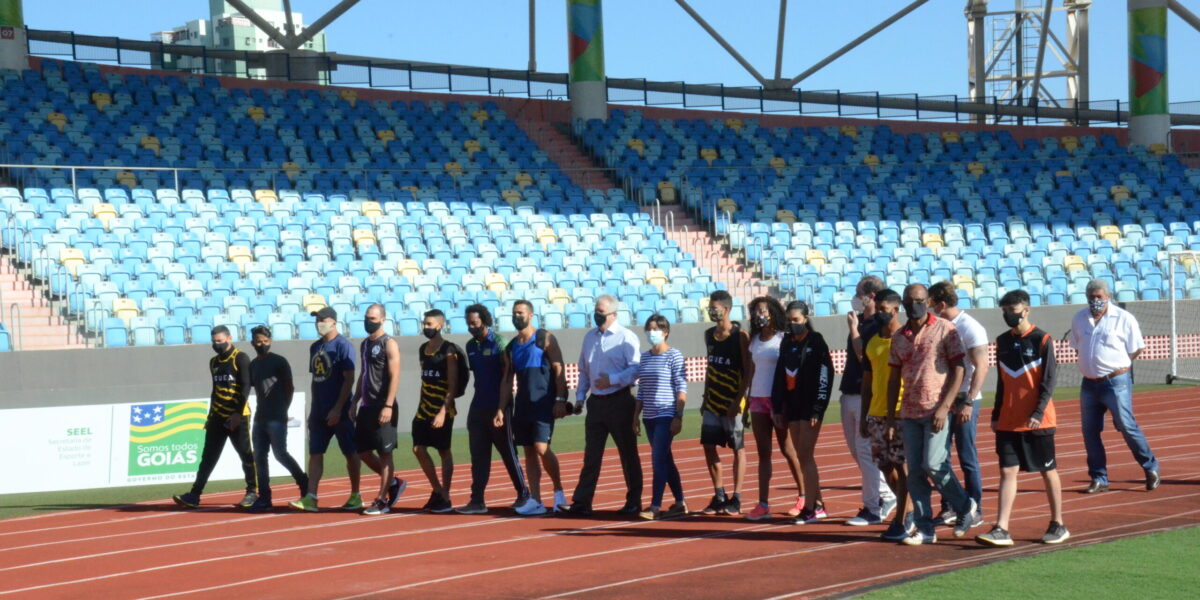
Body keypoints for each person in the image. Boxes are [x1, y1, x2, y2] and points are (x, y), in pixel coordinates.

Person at [976, 290, 1070, 546]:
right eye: (1004, 309)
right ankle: (1001, 528)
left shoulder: (1043, 339)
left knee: (1048, 471)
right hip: (1008, 420)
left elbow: (1049, 381)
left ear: (1026, 309)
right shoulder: (1002, 341)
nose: (1008, 314)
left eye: (1013, 309)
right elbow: (1003, 384)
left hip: (1038, 421)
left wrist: (1038, 412)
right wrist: (996, 413)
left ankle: (1058, 523)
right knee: (1007, 471)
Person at [888, 284, 977, 545]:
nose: (913, 305)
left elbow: (959, 368)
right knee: (914, 471)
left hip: (936, 409)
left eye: (918, 300)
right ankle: (925, 528)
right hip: (909, 411)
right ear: (903, 303)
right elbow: (893, 377)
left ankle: (964, 505)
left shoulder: (945, 329)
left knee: (935, 464)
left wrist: (945, 406)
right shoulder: (899, 337)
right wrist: (892, 414)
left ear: (927, 302)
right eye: (909, 301)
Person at [1070, 279, 1160, 493]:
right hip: (1089, 384)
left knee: (1127, 426)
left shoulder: (1123, 318)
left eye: (1099, 297)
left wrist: (1117, 365)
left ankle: (1150, 467)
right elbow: (1077, 346)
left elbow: (1136, 348)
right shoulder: (1079, 318)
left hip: (1116, 382)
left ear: (1108, 297)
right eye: (1091, 297)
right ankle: (1099, 478)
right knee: (1090, 431)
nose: (1095, 301)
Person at [292, 307, 383, 512]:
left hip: (339, 411)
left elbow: (349, 379)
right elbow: (316, 380)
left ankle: (356, 494)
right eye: (317, 320)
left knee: (351, 453)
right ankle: (311, 497)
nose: (318, 323)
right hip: (319, 410)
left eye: (322, 319)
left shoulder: (343, 345)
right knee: (315, 452)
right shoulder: (315, 347)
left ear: (333, 322)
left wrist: (338, 408)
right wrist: (314, 409)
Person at [562, 295, 643, 516]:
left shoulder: (626, 337)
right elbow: (584, 370)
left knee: (628, 454)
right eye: (596, 311)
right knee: (591, 456)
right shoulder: (589, 338)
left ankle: (634, 502)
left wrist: (613, 379)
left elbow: (636, 370)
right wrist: (580, 397)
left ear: (614, 315)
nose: (597, 315)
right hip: (596, 404)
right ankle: (581, 503)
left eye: (602, 312)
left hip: (620, 401)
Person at [458, 304, 539, 515]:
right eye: (468, 323)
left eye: (474, 323)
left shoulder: (500, 343)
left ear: (484, 320)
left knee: (508, 452)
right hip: (478, 407)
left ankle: (524, 494)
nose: (471, 327)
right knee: (478, 455)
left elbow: (506, 376)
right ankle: (477, 500)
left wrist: (501, 408)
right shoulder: (470, 346)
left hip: (499, 407)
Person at [495, 300, 570, 515]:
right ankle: (536, 499)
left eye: (520, 313)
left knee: (541, 448)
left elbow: (558, 367)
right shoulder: (511, 348)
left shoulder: (544, 338)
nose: (516, 316)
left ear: (531, 315)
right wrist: (501, 408)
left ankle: (558, 493)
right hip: (524, 404)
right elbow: (507, 381)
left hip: (543, 402)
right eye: (514, 313)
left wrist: (560, 399)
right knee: (528, 451)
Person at [172, 326, 257, 509]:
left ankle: (252, 492)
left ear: (229, 338)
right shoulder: (214, 362)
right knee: (208, 457)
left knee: (245, 454)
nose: (217, 344)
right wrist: (210, 416)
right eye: (214, 341)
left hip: (238, 415)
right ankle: (195, 494)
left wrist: (236, 413)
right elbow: (215, 391)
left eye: (220, 340)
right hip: (217, 416)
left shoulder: (240, 358)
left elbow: (246, 386)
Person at [928, 281, 988, 529]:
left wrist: (970, 400)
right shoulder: (938, 326)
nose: (928, 307)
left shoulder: (970, 327)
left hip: (963, 399)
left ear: (941, 304)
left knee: (967, 456)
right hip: (942, 399)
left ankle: (976, 507)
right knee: (940, 457)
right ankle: (950, 506)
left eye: (930, 302)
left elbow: (981, 366)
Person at [743, 295, 807, 522]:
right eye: (755, 311)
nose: (759, 315)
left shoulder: (783, 338)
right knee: (763, 453)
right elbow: (750, 372)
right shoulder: (754, 340)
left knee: (788, 449)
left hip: (778, 400)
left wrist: (787, 401)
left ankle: (803, 496)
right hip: (758, 399)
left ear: (772, 312)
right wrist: (746, 400)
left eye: (763, 310)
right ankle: (763, 504)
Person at [840, 276, 897, 527]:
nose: (856, 298)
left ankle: (873, 506)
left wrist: (853, 330)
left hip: (866, 396)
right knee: (858, 452)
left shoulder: (876, 324)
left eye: (859, 293)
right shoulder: (864, 321)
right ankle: (886, 495)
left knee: (866, 452)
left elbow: (864, 355)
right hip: (850, 392)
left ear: (871, 296)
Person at [771, 301, 834, 525]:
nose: (792, 324)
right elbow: (779, 374)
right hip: (793, 406)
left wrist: (819, 406)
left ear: (806, 318)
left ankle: (810, 508)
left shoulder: (816, 341)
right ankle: (818, 505)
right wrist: (777, 406)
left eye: (796, 320)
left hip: (810, 407)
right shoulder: (787, 342)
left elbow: (826, 374)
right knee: (801, 455)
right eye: (789, 320)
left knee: (805, 456)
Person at [860, 289, 913, 541]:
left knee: (902, 466)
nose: (880, 313)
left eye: (884, 309)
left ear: (895, 309)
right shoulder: (872, 341)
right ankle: (909, 507)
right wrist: (864, 416)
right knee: (883, 464)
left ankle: (902, 517)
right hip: (876, 413)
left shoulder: (906, 338)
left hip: (901, 412)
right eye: (877, 308)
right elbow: (867, 381)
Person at [698, 289, 751, 516]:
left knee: (737, 448)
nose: (711, 311)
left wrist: (739, 401)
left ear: (726, 309)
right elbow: (710, 368)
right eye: (710, 307)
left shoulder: (740, 336)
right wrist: (705, 396)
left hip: (733, 402)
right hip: (712, 400)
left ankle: (736, 498)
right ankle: (719, 495)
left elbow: (748, 371)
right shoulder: (709, 334)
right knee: (709, 446)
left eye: (715, 307)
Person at [245, 325, 308, 512]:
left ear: (270, 341)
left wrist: (283, 409)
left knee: (280, 454)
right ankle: (264, 496)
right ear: (252, 343)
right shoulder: (253, 365)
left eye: (265, 341)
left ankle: (304, 482)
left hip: (276, 416)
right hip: (260, 417)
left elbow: (289, 387)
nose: (262, 344)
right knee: (260, 457)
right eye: (258, 342)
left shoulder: (279, 361)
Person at [633, 314, 689, 520]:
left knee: (658, 460)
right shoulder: (645, 357)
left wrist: (678, 415)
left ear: (665, 332)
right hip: (649, 416)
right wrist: (635, 416)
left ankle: (655, 506)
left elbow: (681, 387)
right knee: (666, 459)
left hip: (666, 414)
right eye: (649, 328)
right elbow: (641, 390)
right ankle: (680, 502)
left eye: (656, 328)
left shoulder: (674, 355)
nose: (652, 332)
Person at [354, 305, 408, 515]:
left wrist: (388, 405)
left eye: (373, 318)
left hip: (383, 405)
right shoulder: (365, 344)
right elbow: (364, 373)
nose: (369, 321)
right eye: (367, 318)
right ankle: (394, 482)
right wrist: (354, 400)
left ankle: (382, 500)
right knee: (362, 451)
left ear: (383, 320)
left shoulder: (389, 343)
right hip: (366, 406)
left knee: (385, 453)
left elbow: (395, 375)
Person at [413, 309, 462, 513]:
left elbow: (452, 384)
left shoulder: (448, 350)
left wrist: (443, 411)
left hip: (443, 409)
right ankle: (438, 490)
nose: (426, 327)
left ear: (440, 325)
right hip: (424, 408)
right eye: (424, 324)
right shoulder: (423, 348)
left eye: (430, 324)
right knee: (418, 448)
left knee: (443, 451)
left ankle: (446, 495)